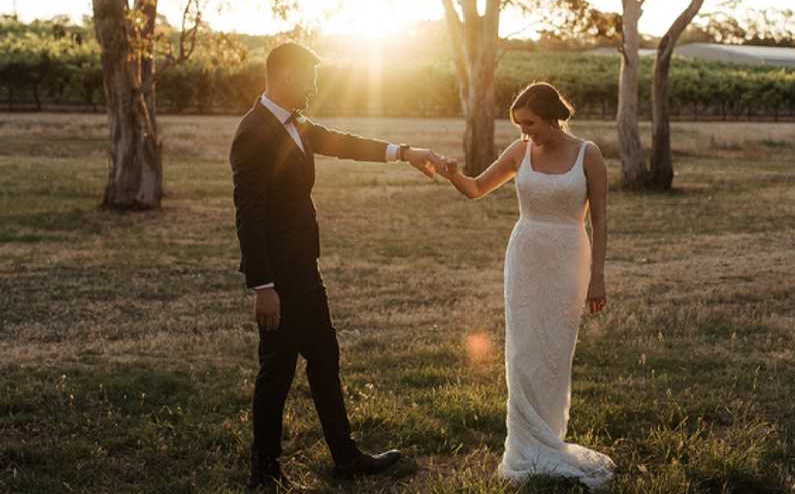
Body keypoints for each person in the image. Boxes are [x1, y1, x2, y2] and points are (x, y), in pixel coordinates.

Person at [229, 42, 446, 491]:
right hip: (281, 279)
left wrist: (404, 152)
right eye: (308, 76)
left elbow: (342, 143)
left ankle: (345, 458)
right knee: (277, 371)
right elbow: (248, 215)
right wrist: (263, 286)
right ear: (285, 75)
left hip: (304, 270)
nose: (313, 85)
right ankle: (265, 472)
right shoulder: (254, 132)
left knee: (324, 358)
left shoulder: (295, 123)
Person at [440, 81, 615, 489]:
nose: (525, 132)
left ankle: (549, 438)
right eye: (519, 125)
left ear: (552, 117)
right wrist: (452, 173)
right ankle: (523, 446)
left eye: (530, 123)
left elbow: (601, 220)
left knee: (554, 352)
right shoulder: (520, 152)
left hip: (570, 259)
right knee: (522, 353)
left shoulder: (588, 154)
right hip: (525, 258)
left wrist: (598, 276)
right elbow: (476, 188)